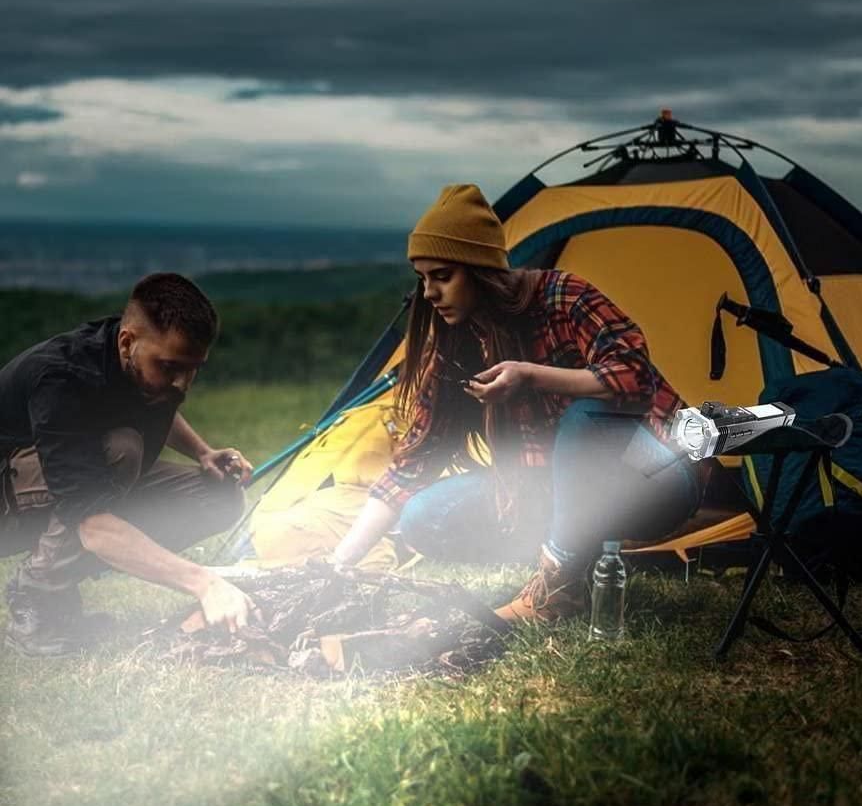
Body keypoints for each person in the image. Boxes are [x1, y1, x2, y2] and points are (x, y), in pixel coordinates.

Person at [333, 184, 707, 623]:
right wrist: (338, 565)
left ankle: (556, 590)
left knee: (586, 418)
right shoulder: (457, 342)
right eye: (423, 279)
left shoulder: (562, 296)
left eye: (442, 276)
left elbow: (635, 380)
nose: (429, 293)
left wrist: (530, 374)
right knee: (422, 516)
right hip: (553, 489)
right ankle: (572, 554)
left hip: (656, 475)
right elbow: (414, 461)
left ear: (480, 270)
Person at [0, 273, 257, 656]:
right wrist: (205, 584)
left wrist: (202, 452)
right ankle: (37, 597)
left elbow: (158, 400)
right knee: (123, 450)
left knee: (218, 497)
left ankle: (64, 577)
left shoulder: (137, 353)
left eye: (194, 368)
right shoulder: (63, 378)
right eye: (171, 367)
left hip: (68, 479)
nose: (183, 384)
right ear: (126, 343)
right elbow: (90, 521)